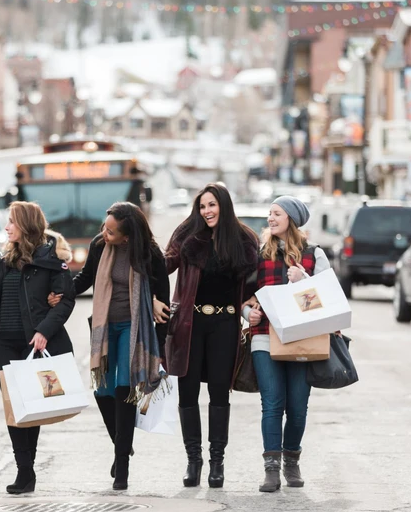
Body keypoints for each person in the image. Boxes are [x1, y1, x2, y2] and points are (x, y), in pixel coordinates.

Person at [52, 202, 170, 490]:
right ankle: (122, 444)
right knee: (102, 391)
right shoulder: (98, 246)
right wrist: (61, 293)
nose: (104, 233)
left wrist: (159, 348)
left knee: (123, 389)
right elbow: (85, 278)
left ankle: (122, 468)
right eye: (104, 228)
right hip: (105, 327)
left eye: (111, 231)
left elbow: (164, 302)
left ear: (127, 237)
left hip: (133, 327)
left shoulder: (150, 254)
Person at [0, 201, 76, 495]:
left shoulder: (51, 260)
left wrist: (44, 331)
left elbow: (65, 301)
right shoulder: (5, 260)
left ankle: (27, 468)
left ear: (25, 225)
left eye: (11, 222)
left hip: (31, 343)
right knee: (14, 406)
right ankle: (24, 469)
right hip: (4, 343)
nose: (6, 227)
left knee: (31, 406)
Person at [163, 183, 259, 488]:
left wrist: (252, 306)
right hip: (189, 324)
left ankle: (217, 462)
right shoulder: (187, 234)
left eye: (212, 205)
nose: (207, 211)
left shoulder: (245, 240)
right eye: (203, 206)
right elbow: (163, 265)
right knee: (187, 391)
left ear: (224, 206)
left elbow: (255, 286)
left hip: (225, 325)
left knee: (219, 393)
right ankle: (194, 460)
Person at [244, 195, 331, 492]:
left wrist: (303, 279)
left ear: (291, 219)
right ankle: (271, 469)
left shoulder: (314, 255)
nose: (270, 218)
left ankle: (291, 460)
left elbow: (328, 300)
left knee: (297, 407)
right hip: (264, 336)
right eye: (269, 213)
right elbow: (243, 295)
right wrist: (248, 313)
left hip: (302, 339)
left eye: (277, 213)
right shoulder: (259, 255)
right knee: (272, 404)